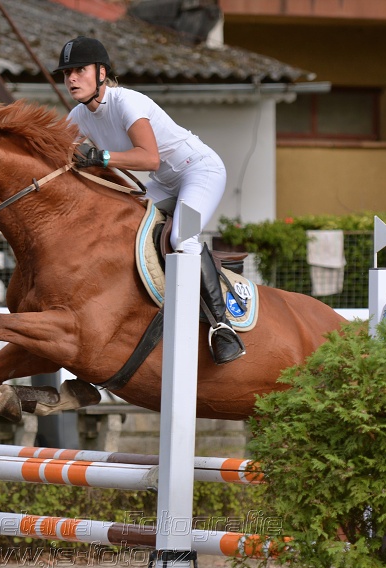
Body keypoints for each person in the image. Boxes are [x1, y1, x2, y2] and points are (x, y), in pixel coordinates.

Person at [53, 36, 245, 364]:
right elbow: (59, 156)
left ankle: (222, 326)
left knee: (182, 237)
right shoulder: (79, 116)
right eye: (67, 72)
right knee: (123, 230)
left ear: (101, 73)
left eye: (79, 70)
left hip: (201, 172)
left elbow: (150, 158)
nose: (71, 78)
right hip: (165, 184)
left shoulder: (126, 102)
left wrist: (100, 156)